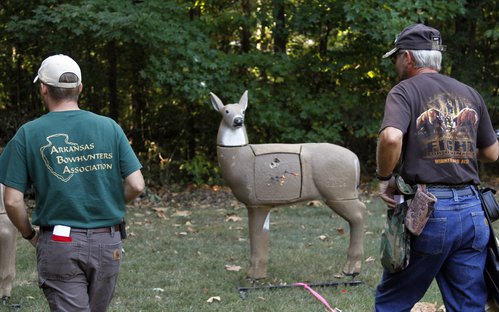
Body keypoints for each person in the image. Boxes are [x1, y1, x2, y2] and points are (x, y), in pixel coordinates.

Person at [0, 54, 145, 311]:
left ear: (43, 88)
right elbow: (136, 185)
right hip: (108, 243)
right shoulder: (109, 127)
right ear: (79, 89)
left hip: (59, 243)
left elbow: (11, 200)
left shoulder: (28, 133)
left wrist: (29, 234)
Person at [375, 24, 499, 312]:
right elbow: (492, 152)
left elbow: (391, 137)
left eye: (396, 57)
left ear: (407, 57)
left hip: (428, 212)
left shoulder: (404, 91)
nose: (396, 64)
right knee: (468, 305)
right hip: (473, 212)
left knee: (392, 301)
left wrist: (384, 177)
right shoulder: (468, 92)